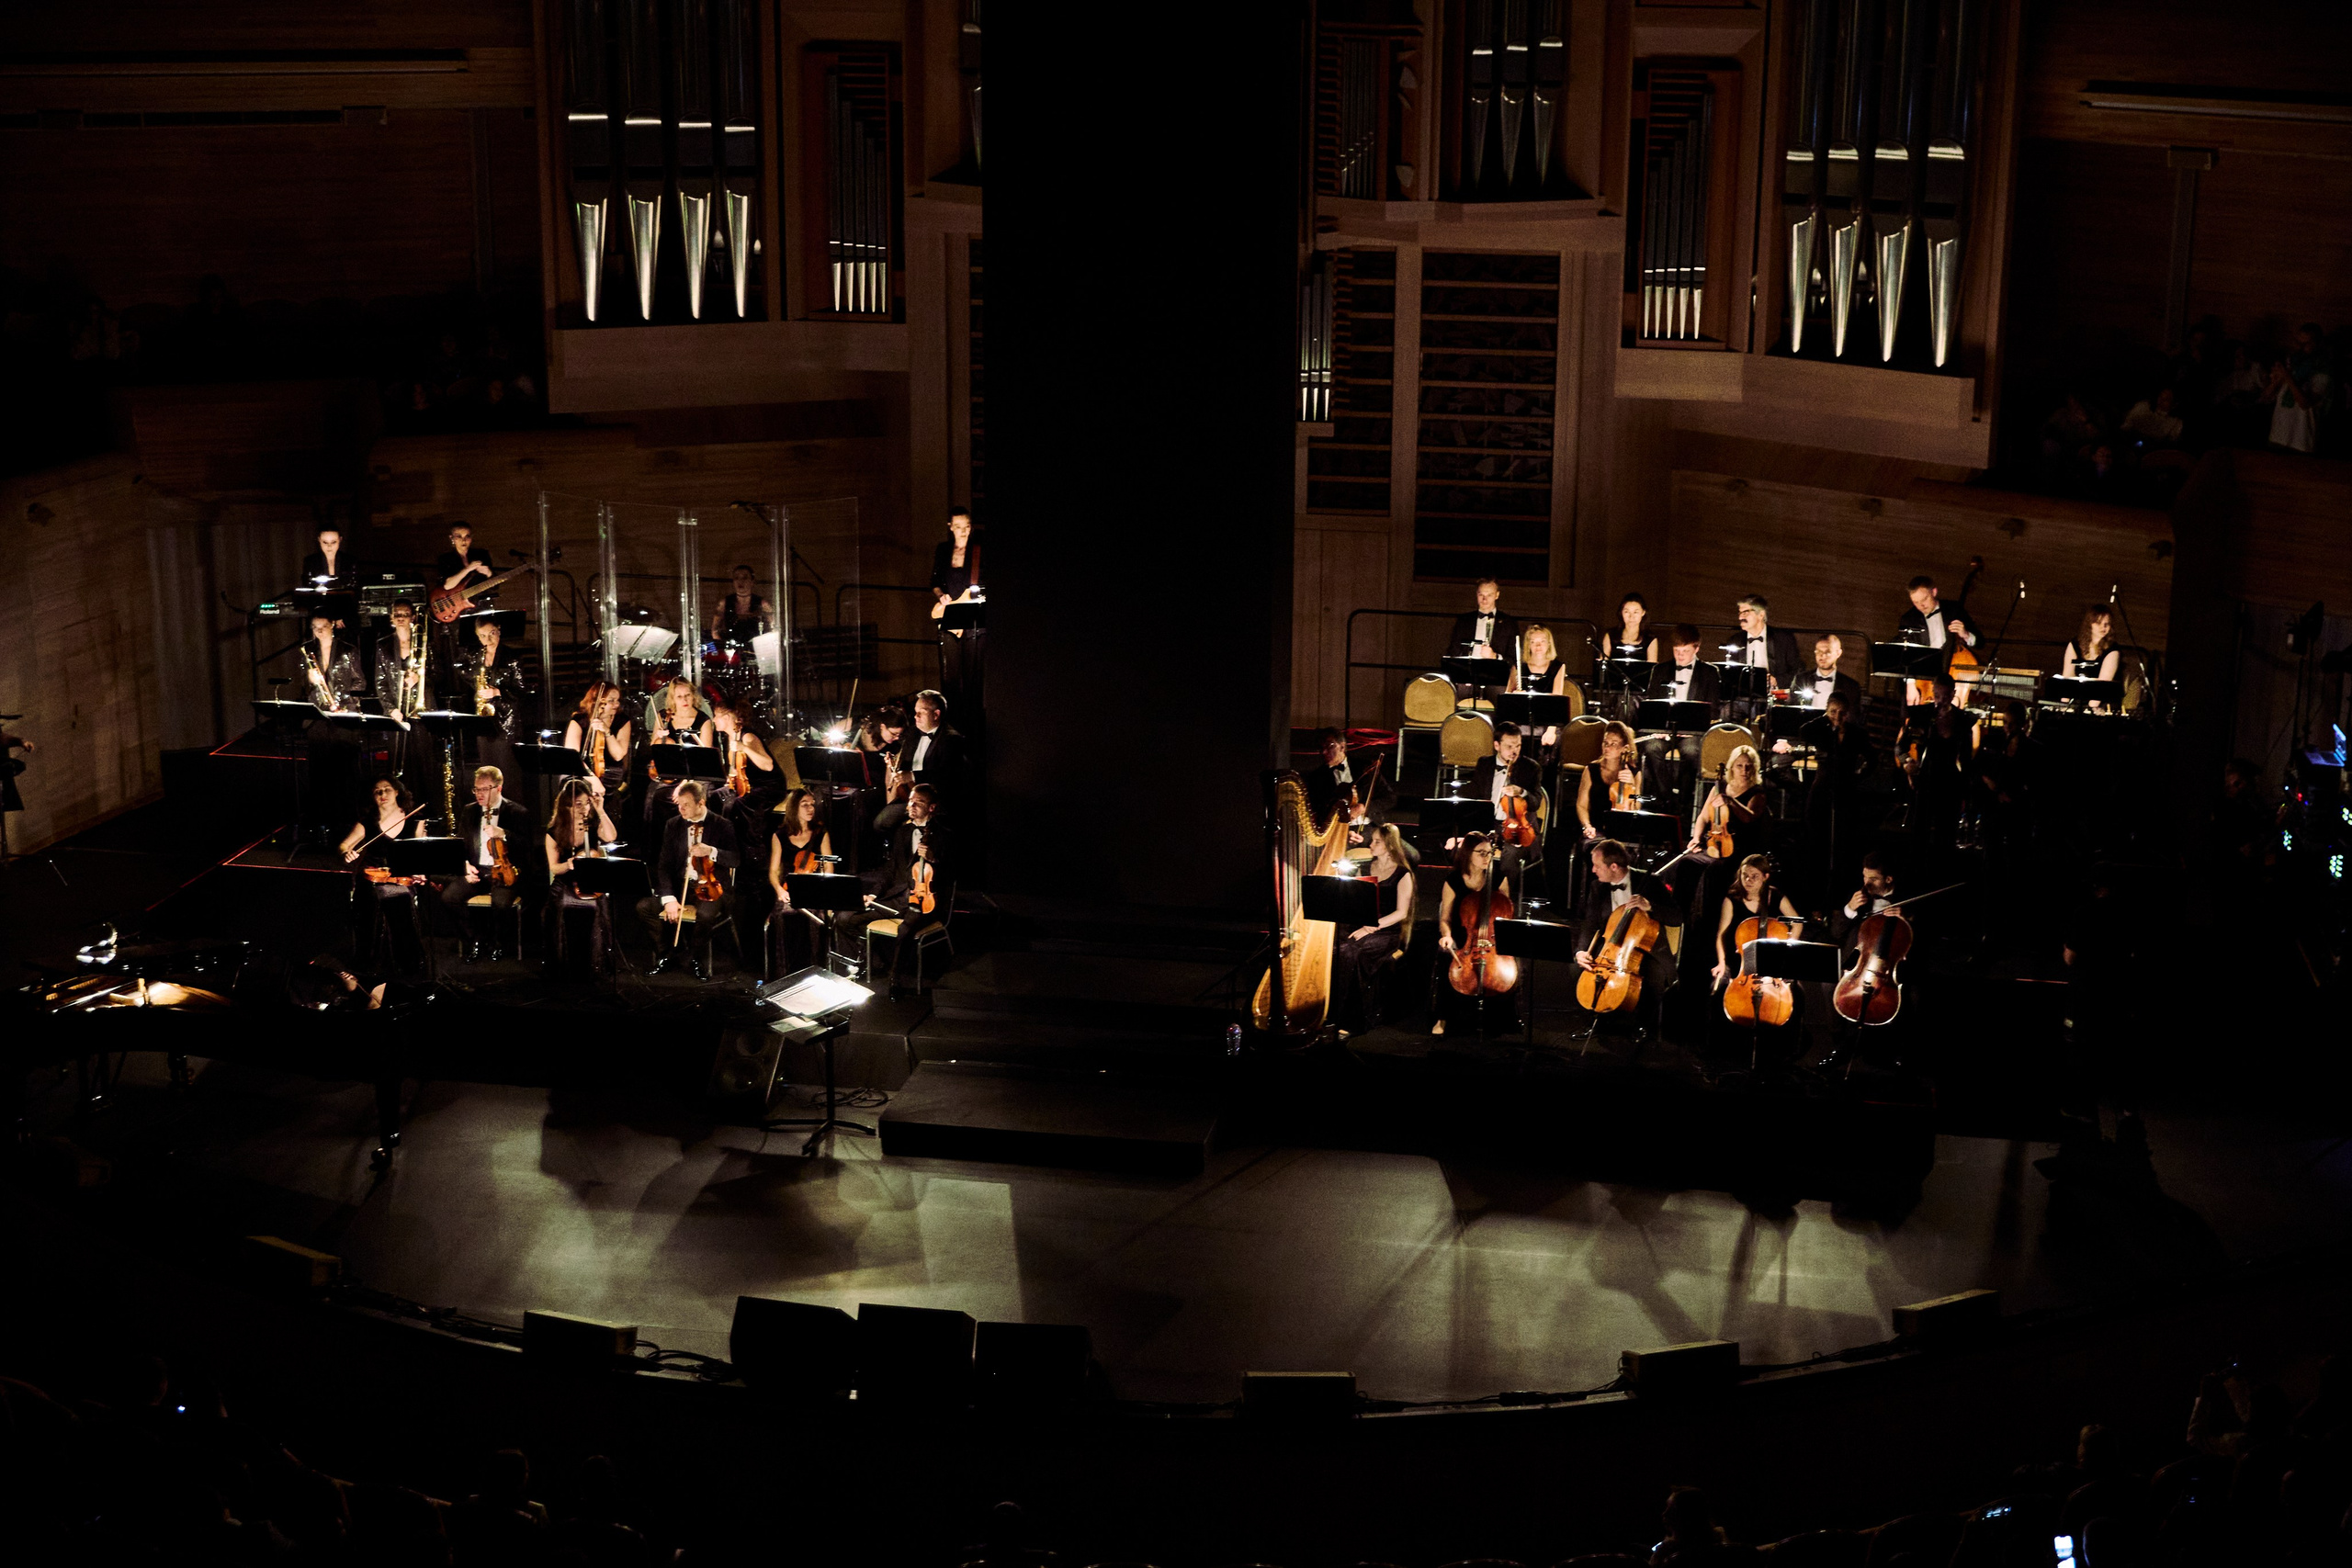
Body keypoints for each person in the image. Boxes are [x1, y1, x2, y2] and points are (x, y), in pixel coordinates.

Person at [837, 783, 950, 991]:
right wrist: (873, 894)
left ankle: (894, 978)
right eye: (910, 801)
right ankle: (873, 960)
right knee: (845, 918)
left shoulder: (943, 835)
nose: (911, 805)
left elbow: (951, 874)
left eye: (918, 802)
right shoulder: (902, 832)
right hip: (897, 898)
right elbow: (890, 871)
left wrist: (934, 859)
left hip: (926, 903)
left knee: (904, 929)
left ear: (931, 808)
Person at [1571, 837, 1682, 1045]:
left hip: (1647, 948)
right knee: (1581, 969)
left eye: (1597, 866)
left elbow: (1677, 917)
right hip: (1612, 947)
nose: (1593, 870)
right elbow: (1590, 923)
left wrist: (1651, 907)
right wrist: (1581, 951)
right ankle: (1595, 1022)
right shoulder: (1597, 887)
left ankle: (1642, 1026)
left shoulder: (1649, 882)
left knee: (1653, 975)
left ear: (1613, 867)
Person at [637, 778, 739, 979]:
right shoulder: (673, 825)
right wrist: (669, 899)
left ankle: (696, 958)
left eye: (686, 805)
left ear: (701, 803)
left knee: (706, 915)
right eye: (679, 805)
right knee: (644, 907)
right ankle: (666, 955)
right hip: (680, 885)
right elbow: (664, 866)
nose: (681, 809)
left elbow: (735, 859)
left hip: (713, 887)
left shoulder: (722, 825)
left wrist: (711, 851)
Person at [439, 766, 536, 964]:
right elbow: (461, 844)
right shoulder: (469, 811)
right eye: (476, 789)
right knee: (449, 898)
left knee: (500, 903)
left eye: (484, 789)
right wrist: (466, 866)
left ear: (499, 788)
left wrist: (504, 834)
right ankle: (474, 939)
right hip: (478, 870)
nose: (479, 794)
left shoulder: (518, 812)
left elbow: (527, 846)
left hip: (505, 872)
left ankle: (498, 943)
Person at [1331, 823, 1415, 1037]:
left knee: (1355, 954)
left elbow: (1401, 913)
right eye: (1373, 840)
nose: (1371, 844)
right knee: (1336, 950)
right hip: (1362, 926)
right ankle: (1331, 1013)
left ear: (1390, 845)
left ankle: (1354, 1019)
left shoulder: (1403, 874)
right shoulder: (1366, 868)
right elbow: (1358, 901)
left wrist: (1371, 927)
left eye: (1377, 841)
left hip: (1386, 931)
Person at [339, 777, 429, 974]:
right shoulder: (367, 822)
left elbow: (419, 852)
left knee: (398, 897)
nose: (382, 794)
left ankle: (405, 962)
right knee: (371, 899)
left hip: (401, 876)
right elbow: (344, 845)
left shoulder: (414, 819)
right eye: (377, 791)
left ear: (397, 792)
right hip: (371, 876)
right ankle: (370, 961)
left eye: (387, 789)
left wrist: (419, 871)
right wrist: (347, 852)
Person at [1431, 832, 1512, 1037]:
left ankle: (1501, 1018)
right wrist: (1446, 935)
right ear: (1468, 853)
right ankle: (1443, 1017)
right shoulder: (1453, 880)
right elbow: (1445, 918)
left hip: (1492, 936)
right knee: (1445, 958)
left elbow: (1506, 915)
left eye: (1489, 853)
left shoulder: (1499, 878)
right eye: (1481, 853)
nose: (1487, 857)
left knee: (1510, 965)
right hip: (1462, 935)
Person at [542, 776, 618, 979]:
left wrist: (600, 810)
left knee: (596, 907)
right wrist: (569, 864)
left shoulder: (592, 823)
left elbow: (611, 836)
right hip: (566, 882)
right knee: (562, 905)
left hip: (590, 882)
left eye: (587, 803)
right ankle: (565, 963)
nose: (584, 809)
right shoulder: (553, 832)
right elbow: (554, 868)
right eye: (578, 804)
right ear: (567, 806)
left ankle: (595, 964)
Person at [766, 787, 835, 976]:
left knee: (813, 918)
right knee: (785, 916)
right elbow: (773, 871)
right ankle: (786, 973)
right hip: (788, 891)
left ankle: (813, 971)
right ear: (794, 808)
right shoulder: (779, 836)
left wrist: (823, 890)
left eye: (812, 804)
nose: (810, 808)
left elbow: (829, 866)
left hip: (815, 890)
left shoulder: (821, 833)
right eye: (805, 805)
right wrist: (779, 890)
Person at [1709, 852, 1804, 987]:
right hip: (1740, 961)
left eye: (1755, 876)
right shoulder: (1732, 900)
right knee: (1719, 987)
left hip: (1771, 960)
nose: (1748, 880)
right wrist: (1721, 963)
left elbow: (1798, 923)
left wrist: (1786, 950)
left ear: (1765, 877)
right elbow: (1721, 935)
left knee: (1795, 988)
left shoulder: (1776, 896)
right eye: (1745, 875)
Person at [931, 508, 987, 719]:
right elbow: (935, 581)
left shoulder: (978, 550)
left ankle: (974, 720)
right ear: (950, 528)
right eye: (958, 527)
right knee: (950, 676)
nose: (963, 531)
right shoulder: (943, 550)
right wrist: (941, 596)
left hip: (972, 614)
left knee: (973, 675)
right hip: (951, 612)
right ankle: (951, 719)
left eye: (967, 527)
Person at [561, 682, 633, 804]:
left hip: (611, 773)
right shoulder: (579, 720)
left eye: (617, 700)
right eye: (611, 701)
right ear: (598, 702)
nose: (616, 704)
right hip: (582, 771)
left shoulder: (623, 720)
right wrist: (592, 779)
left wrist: (607, 731)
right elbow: (572, 757)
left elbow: (618, 755)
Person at [1572, 720, 1641, 843]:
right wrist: (1587, 826)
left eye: (1613, 744)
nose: (1607, 748)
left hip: (1623, 830)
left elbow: (1636, 808)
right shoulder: (1591, 770)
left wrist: (1632, 786)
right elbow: (1581, 805)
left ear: (1624, 748)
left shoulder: (1634, 773)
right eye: (1605, 743)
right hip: (1595, 828)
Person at [894, 689, 967, 800]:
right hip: (909, 796)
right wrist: (895, 761)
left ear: (936, 714)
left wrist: (912, 776)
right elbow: (905, 761)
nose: (916, 716)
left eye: (922, 712)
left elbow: (947, 775)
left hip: (937, 800)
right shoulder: (912, 733)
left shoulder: (952, 739)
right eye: (916, 711)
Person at [1510, 623, 1570, 750]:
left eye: (1542, 641)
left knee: (1552, 741)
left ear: (1549, 644)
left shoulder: (1558, 667)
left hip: (1548, 721)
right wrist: (1515, 697)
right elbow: (1507, 699)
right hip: (1523, 720)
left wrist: (1551, 731)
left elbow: (1557, 700)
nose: (1538, 646)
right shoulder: (1518, 667)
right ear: (1528, 645)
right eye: (1533, 642)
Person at [372, 601, 433, 720]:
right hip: (396, 707)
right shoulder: (383, 645)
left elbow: (438, 673)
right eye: (397, 614)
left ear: (412, 618)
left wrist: (419, 678)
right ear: (391, 617)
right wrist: (390, 708)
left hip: (423, 704)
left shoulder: (424, 643)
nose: (401, 618)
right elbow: (380, 681)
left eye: (406, 614)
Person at [1733, 593, 1803, 686]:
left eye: (1745, 613)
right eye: (1740, 613)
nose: (1740, 617)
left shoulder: (1783, 639)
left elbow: (1798, 669)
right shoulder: (1736, 640)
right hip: (1744, 693)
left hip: (1775, 692)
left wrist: (1777, 681)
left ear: (1761, 615)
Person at [300, 613, 365, 713]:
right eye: (315, 627)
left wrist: (347, 704)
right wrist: (309, 678)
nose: (319, 631)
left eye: (324, 626)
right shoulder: (308, 649)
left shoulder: (347, 650)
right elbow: (302, 681)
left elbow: (359, 681)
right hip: (318, 708)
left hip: (344, 709)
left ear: (332, 625)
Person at [1446, 577, 1521, 662]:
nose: (1484, 599)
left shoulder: (1509, 623)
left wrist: (1495, 656)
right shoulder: (1463, 621)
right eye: (1481, 595)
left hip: (1496, 670)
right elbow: (1453, 651)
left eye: (1489, 595)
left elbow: (1514, 657)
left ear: (1497, 595)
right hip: (1467, 669)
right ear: (1476, 594)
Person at [1646, 624, 1722, 707]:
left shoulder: (1709, 672)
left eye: (1685, 651)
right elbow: (1652, 704)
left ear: (1696, 649)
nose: (1680, 655)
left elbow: (1713, 707)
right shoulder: (1660, 670)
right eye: (1676, 650)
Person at [1791, 632, 1860, 711]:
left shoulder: (1850, 686)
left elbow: (1852, 714)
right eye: (1819, 651)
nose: (1822, 656)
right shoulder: (1801, 680)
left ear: (1838, 653)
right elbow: (1791, 710)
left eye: (1827, 652)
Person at [707, 564, 773, 646]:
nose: (740, 581)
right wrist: (722, 646)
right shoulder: (724, 603)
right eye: (736, 578)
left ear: (752, 581)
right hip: (731, 648)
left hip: (756, 647)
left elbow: (773, 628)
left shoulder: (763, 604)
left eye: (745, 578)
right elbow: (715, 630)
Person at [2062, 604, 2122, 686]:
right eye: (2098, 623)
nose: (2103, 627)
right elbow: (2067, 676)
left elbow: (2102, 684)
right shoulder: (2075, 644)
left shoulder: (2112, 649)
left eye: (2107, 624)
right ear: (2089, 624)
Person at [434, 523, 494, 595]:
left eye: (467, 536)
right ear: (452, 538)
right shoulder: (446, 558)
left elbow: (495, 586)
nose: (464, 540)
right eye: (459, 537)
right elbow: (447, 586)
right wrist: (468, 569)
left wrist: (489, 573)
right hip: (456, 599)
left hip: (481, 597)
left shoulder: (482, 554)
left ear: (471, 538)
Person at [1609, 592, 1660, 663]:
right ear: (1621, 613)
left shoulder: (1650, 639)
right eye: (1627, 612)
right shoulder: (1611, 635)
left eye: (1636, 612)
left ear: (1643, 612)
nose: (1631, 617)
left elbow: (1652, 665)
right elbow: (1603, 664)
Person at [299, 524, 355, 588]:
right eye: (325, 542)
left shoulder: (350, 561)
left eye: (333, 542)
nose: (329, 546)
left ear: (340, 540)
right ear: (319, 540)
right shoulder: (311, 561)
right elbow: (307, 584)